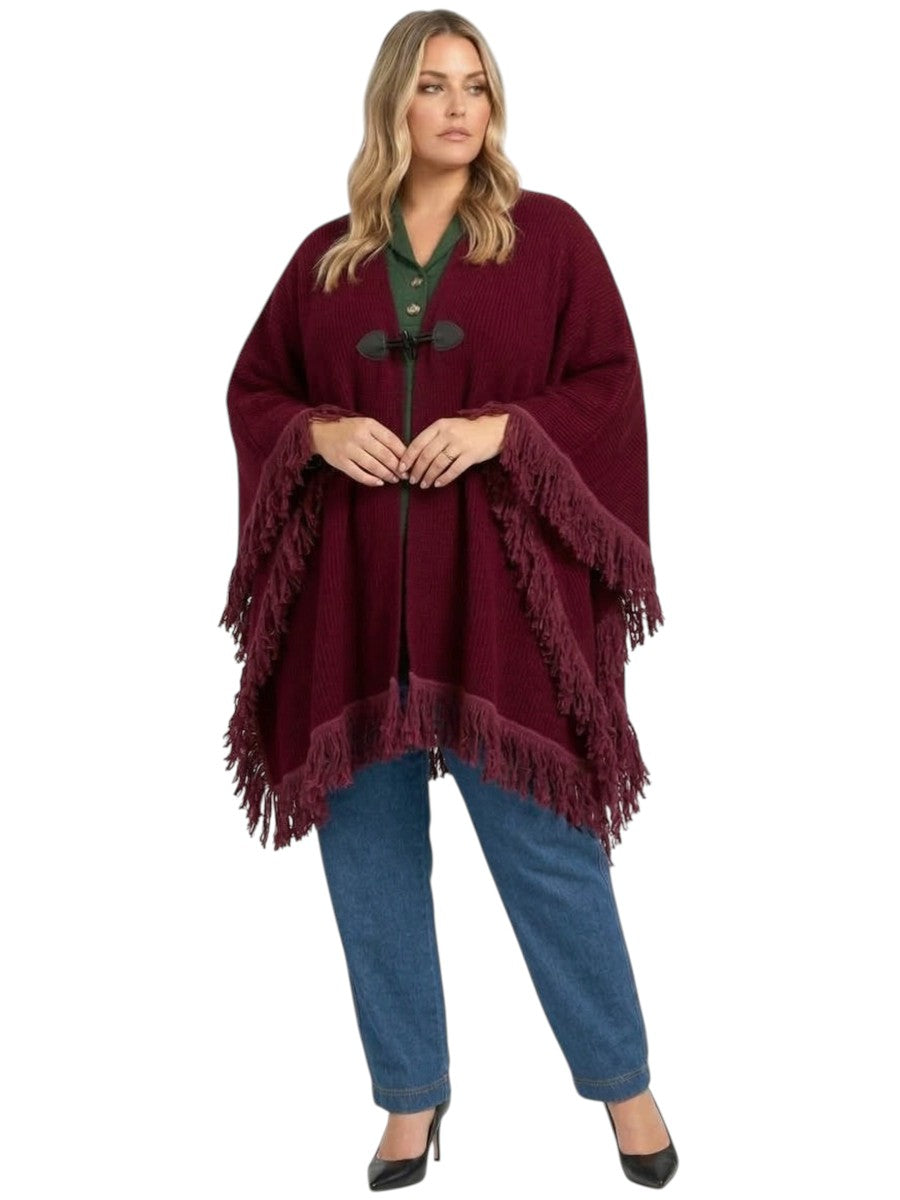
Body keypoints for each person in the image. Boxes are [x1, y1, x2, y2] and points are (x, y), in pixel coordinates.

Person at [220, 8, 677, 1191]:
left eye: (476, 84)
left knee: (549, 852)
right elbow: (255, 389)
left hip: (498, 606)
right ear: (395, 104)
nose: (460, 106)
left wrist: (502, 431)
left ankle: (624, 1084)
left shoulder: (550, 238)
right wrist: (318, 434)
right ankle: (411, 1097)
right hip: (356, 605)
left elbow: (611, 385)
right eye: (433, 85)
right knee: (366, 858)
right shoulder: (327, 259)